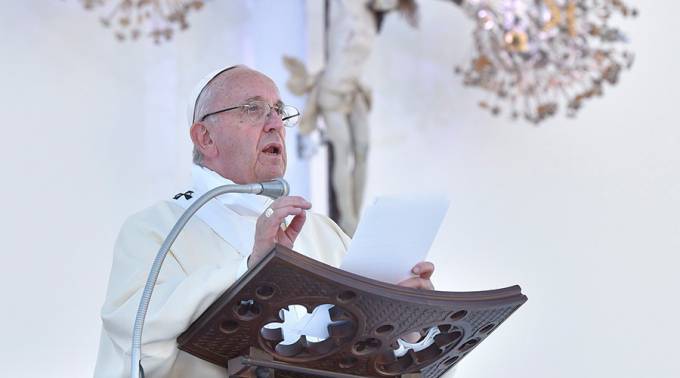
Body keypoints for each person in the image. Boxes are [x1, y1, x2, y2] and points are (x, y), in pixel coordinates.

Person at [94, 65, 435, 377]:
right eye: (253, 109)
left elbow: (360, 347)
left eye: (278, 111)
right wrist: (249, 269)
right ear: (205, 138)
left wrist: (405, 319)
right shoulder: (157, 230)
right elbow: (137, 337)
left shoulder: (322, 231)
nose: (275, 124)